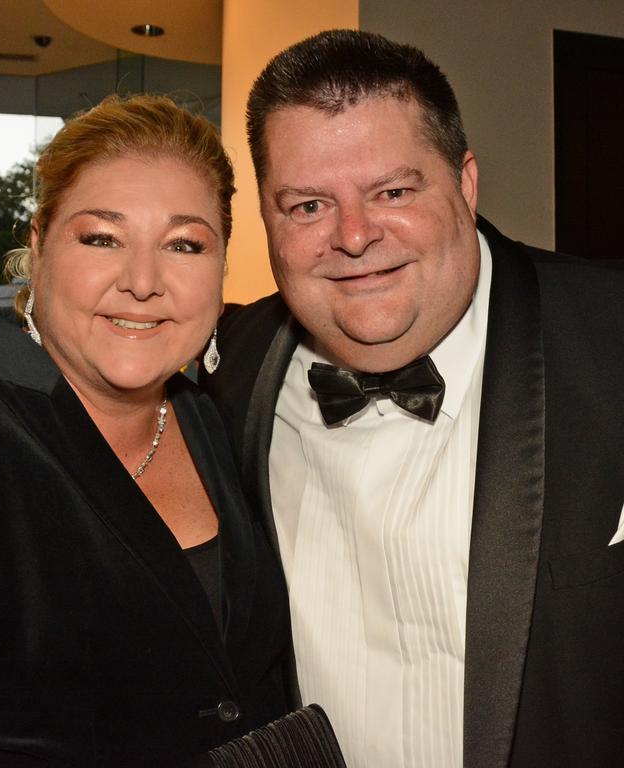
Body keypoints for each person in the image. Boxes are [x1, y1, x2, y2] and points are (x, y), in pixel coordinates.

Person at [202, 29, 624, 768]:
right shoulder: (226, 375)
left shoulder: (610, 342)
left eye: (393, 192)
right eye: (307, 206)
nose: (355, 236)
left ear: (464, 183)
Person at [0, 95, 292, 766]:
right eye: (102, 238)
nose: (143, 281)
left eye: (184, 243)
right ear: (38, 247)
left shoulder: (215, 419)